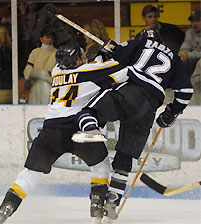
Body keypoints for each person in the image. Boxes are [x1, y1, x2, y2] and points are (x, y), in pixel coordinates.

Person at [0, 42, 130, 224]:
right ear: (77, 60)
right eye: (80, 56)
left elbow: (88, 67)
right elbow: (121, 69)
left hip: (50, 131)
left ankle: (2, 213)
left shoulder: (56, 71)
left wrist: (101, 54)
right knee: (100, 166)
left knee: (29, 175)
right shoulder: (89, 74)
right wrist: (117, 51)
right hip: (77, 129)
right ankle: (96, 214)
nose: (82, 58)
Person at [72, 30, 193, 223]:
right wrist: (171, 112)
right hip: (148, 110)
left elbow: (114, 56)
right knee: (125, 157)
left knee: (87, 111)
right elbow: (186, 91)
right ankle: (112, 202)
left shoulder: (140, 44)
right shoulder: (174, 58)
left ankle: (92, 130)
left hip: (129, 92)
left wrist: (107, 49)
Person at [23, 28, 57, 104]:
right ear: (41, 39)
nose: (50, 40)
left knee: (43, 83)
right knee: (41, 75)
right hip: (35, 81)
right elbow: (28, 69)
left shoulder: (56, 53)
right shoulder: (35, 52)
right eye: (47, 37)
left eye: (51, 38)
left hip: (50, 83)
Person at [178, 9, 201, 78]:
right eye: (192, 21)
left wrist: (188, 55)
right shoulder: (189, 32)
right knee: (180, 61)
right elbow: (185, 48)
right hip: (193, 63)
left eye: (198, 20)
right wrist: (182, 54)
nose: (194, 23)